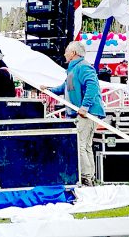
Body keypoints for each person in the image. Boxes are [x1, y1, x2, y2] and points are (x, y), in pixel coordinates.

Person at [40, 41, 105, 187]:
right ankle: (89, 177)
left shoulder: (83, 67)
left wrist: (85, 107)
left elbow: (92, 86)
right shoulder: (72, 70)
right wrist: (49, 90)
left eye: (66, 51)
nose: (64, 54)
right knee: (85, 145)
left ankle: (86, 177)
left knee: (80, 144)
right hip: (81, 113)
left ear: (73, 53)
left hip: (87, 113)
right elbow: (65, 88)